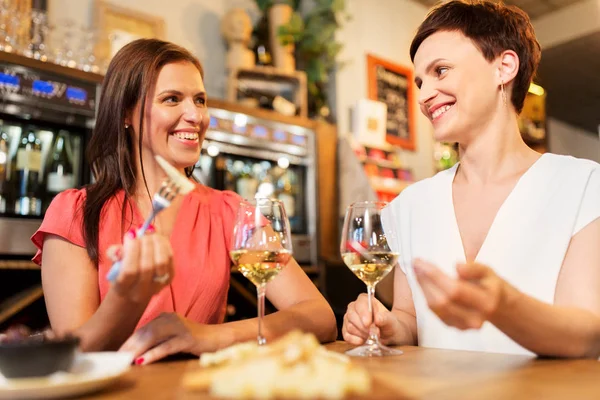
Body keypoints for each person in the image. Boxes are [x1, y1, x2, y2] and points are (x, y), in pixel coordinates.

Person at [32, 38, 337, 365]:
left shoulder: (230, 213)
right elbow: (71, 358)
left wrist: (210, 336)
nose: (195, 115)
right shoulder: (76, 213)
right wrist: (126, 300)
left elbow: (320, 316)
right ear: (126, 113)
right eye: (172, 99)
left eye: (200, 100)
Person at [343, 0, 600, 358]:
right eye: (420, 81)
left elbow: (586, 335)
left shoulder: (584, 186)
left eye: (441, 70)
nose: (423, 95)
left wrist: (502, 306)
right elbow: (410, 319)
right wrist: (387, 325)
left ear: (504, 67)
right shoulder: (410, 205)